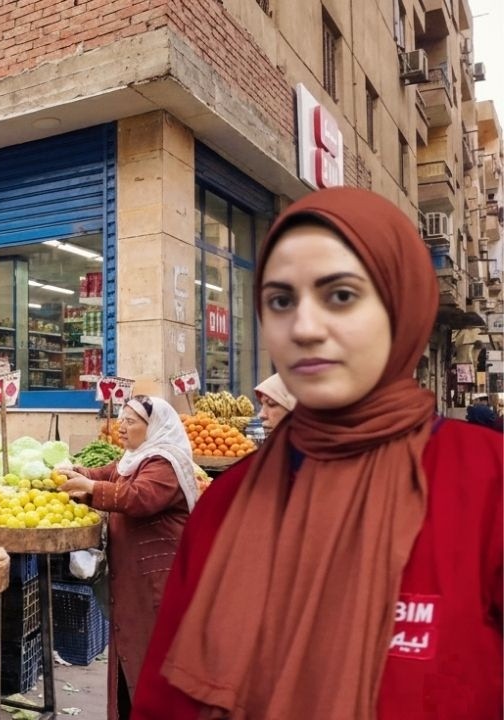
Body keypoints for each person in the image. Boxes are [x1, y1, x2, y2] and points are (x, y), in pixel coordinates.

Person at [134, 188, 502, 718]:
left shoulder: (486, 486)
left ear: (401, 304)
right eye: (281, 301)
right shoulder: (225, 507)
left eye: (341, 296)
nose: (304, 328)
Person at [57, 395, 198, 720]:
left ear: (154, 427)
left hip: (158, 578)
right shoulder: (136, 457)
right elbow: (108, 474)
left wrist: (91, 487)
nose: (121, 426)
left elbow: (140, 498)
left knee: (154, 653)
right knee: (131, 648)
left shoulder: (164, 462)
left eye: (130, 421)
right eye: (121, 419)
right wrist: (75, 472)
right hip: (134, 579)